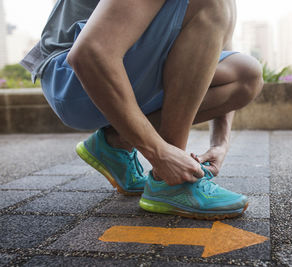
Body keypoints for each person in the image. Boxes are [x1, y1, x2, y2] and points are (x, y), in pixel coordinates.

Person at [21, 0, 263, 220]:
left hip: (109, 70)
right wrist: (159, 153)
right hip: (72, 81)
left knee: (247, 77)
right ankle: (170, 182)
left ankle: (116, 142)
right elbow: (89, 54)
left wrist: (220, 142)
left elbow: (219, 56)